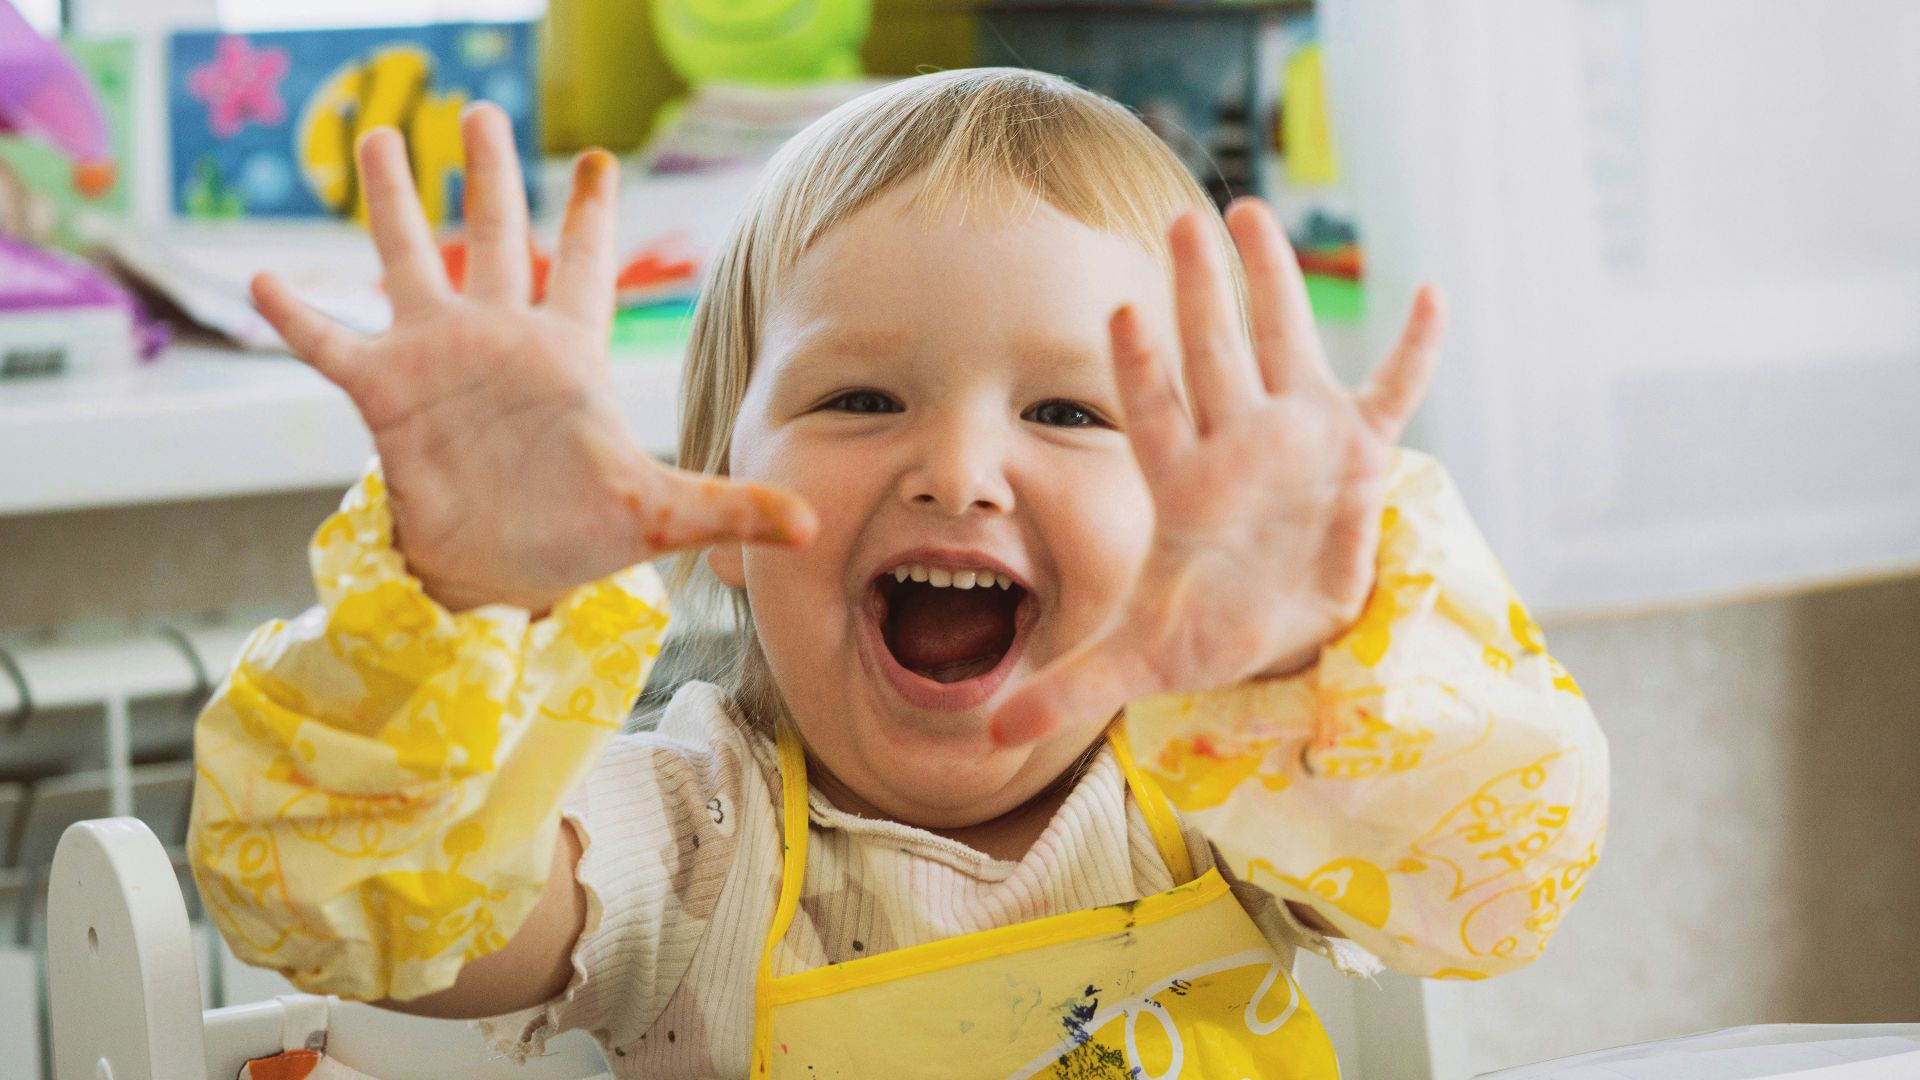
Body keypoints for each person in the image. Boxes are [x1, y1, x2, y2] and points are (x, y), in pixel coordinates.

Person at [190, 68, 1607, 1078]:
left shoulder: (1233, 796)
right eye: (862, 400)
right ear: (718, 507)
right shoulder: (688, 838)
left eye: (1067, 413)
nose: (959, 473)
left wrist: (1310, 671)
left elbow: (1505, 875)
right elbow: (395, 924)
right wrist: (461, 604)